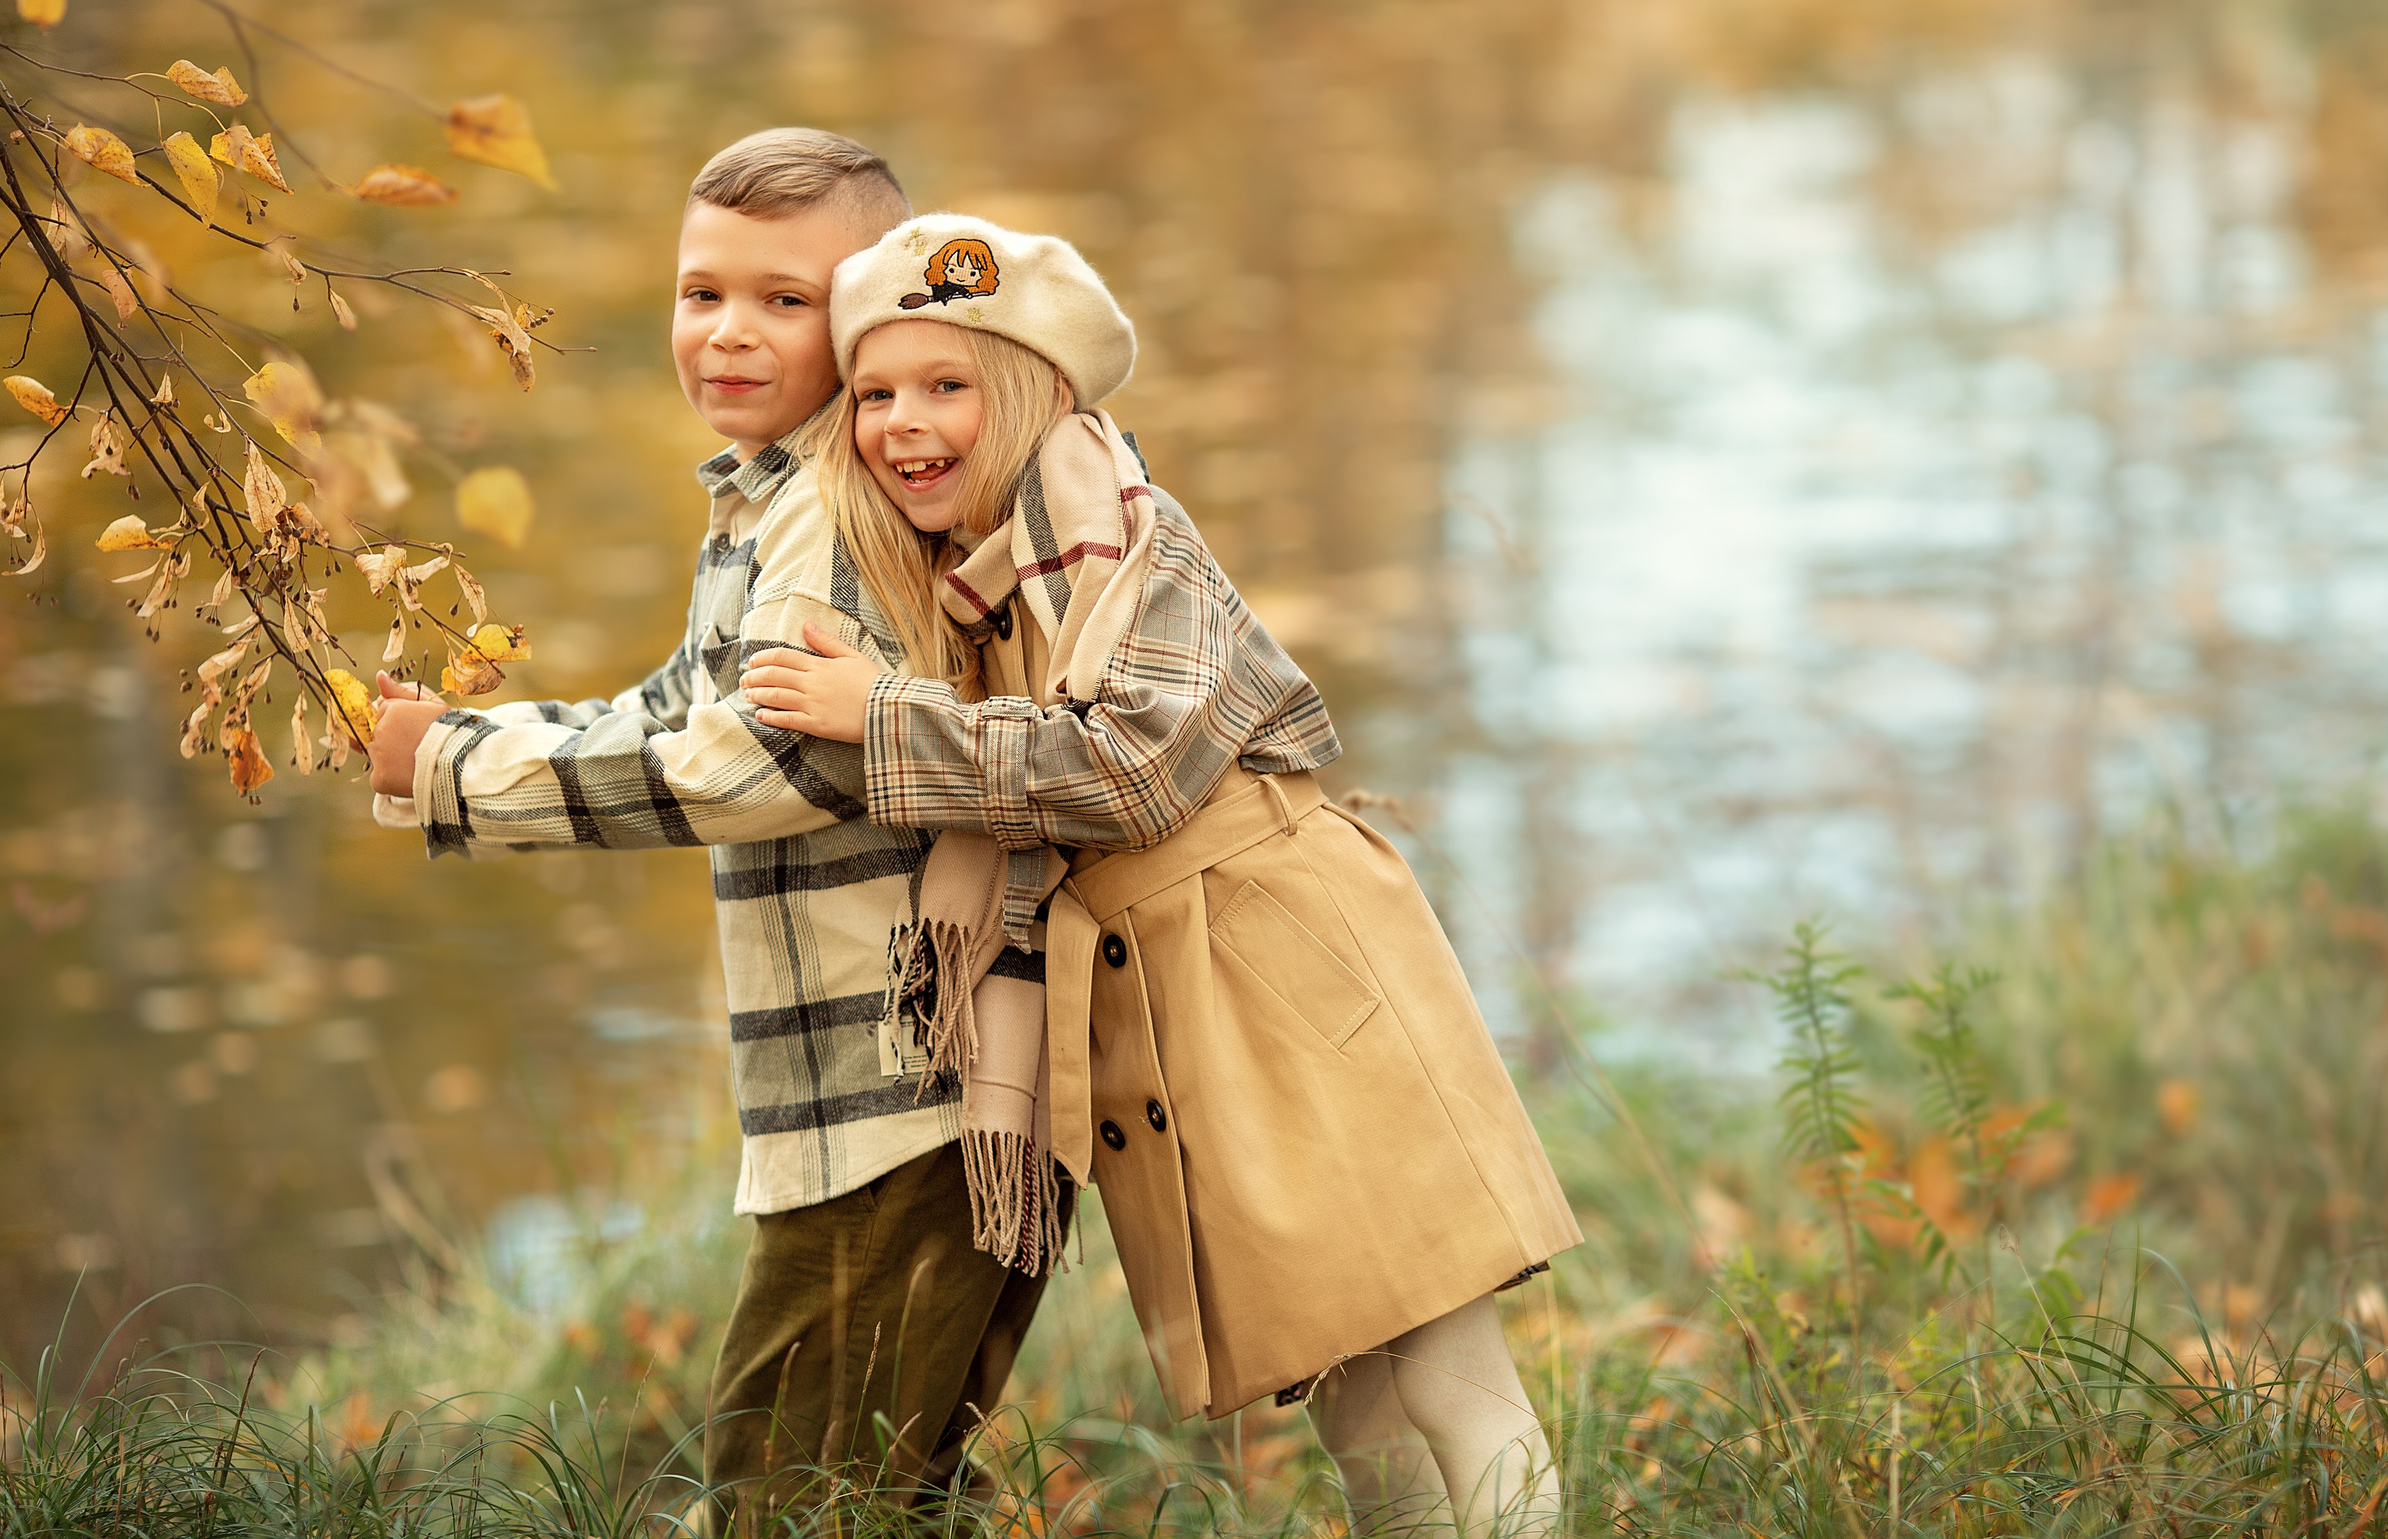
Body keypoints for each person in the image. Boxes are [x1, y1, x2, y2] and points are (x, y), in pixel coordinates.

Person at [737, 213, 1584, 1538]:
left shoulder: (1128, 536)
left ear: (1027, 393)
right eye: (877, 392)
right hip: (1172, 995)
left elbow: (1131, 769)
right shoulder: (976, 590)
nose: (904, 421)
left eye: (948, 385)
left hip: (1287, 956)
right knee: (1349, 1387)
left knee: (1444, 1360)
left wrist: (882, 716)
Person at [363, 134, 1049, 1526]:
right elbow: (680, 706)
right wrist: (455, 742)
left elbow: (758, 767)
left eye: (784, 301)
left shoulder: (844, 508)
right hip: (862, 1101)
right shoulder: (766, 496)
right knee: (881, 1486)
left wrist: (455, 774)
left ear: (865, 314)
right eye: (701, 293)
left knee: (787, 1496)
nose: (729, 332)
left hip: (902, 1102)